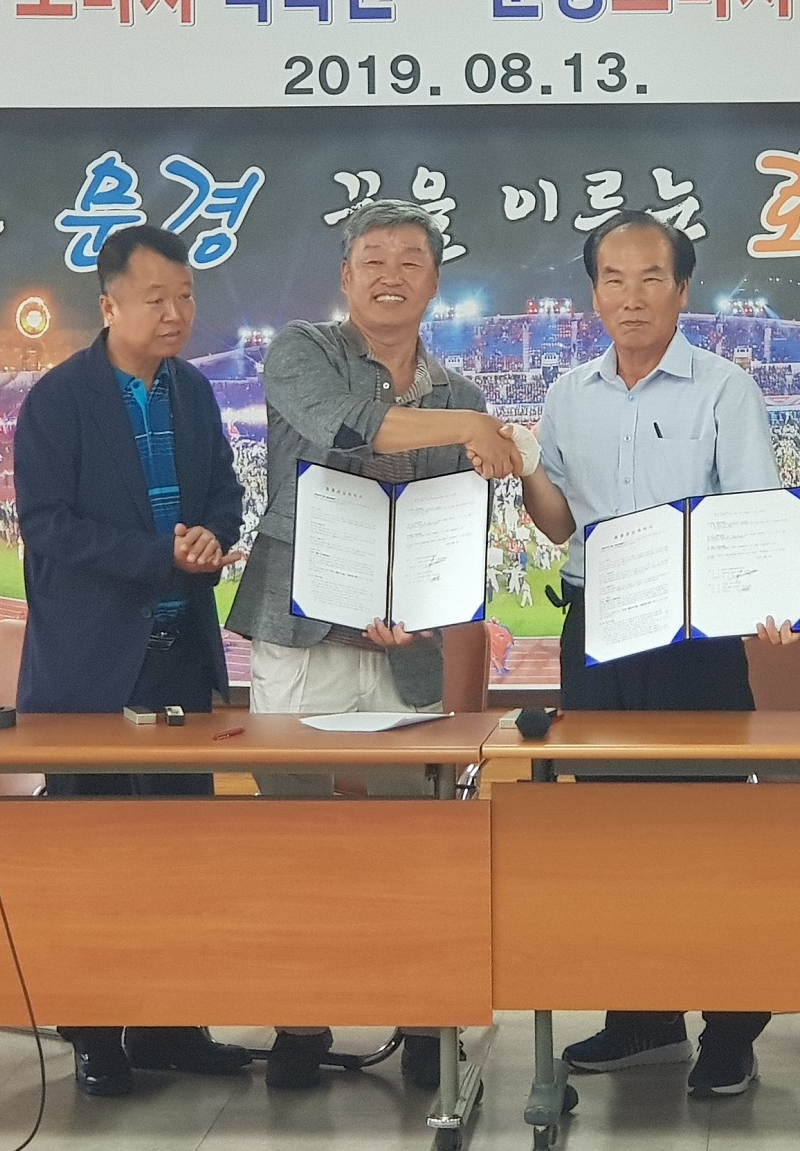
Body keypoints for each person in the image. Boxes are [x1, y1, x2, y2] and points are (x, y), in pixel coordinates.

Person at [227, 198, 523, 1092]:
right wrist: (468, 429)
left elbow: (451, 520)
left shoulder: (459, 395)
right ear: (346, 276)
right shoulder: (302, 352)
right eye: (374, 259)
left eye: (411, 260)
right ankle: (299, 1019)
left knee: (416, 837)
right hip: (302, 635)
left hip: (408, 648)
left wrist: (426, 607)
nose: (391, 274)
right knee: (294, 836)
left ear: (434, 281)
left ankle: (425, 1016)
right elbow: (352, 425)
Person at [516, 212, 800, 1100]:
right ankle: (642, 1018)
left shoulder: (724, 388)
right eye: (613, 278)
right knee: (612, 835)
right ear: (593, 293)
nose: (631, 296)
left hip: (695, 643)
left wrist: (763, 598)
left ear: (682, 289)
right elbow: (558, 524)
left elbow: (751, 505)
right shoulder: (569, 394)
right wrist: (525, 471)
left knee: (709, 834)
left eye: (650, 278)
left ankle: (731, 1030)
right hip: (598, 634)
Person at [12, 222, 253, 1098]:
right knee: (94, 860)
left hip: (178, 660)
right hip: (90, 672)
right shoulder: (59, 400)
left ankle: (171, 1026)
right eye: (157, 299)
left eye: (185, 296)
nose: (176, 313)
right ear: (109, 305)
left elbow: (224, 490)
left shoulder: (193, 392)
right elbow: (47, 528)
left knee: (179, 856)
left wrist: (210, 536)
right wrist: (160, 556)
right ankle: (94, 1033)